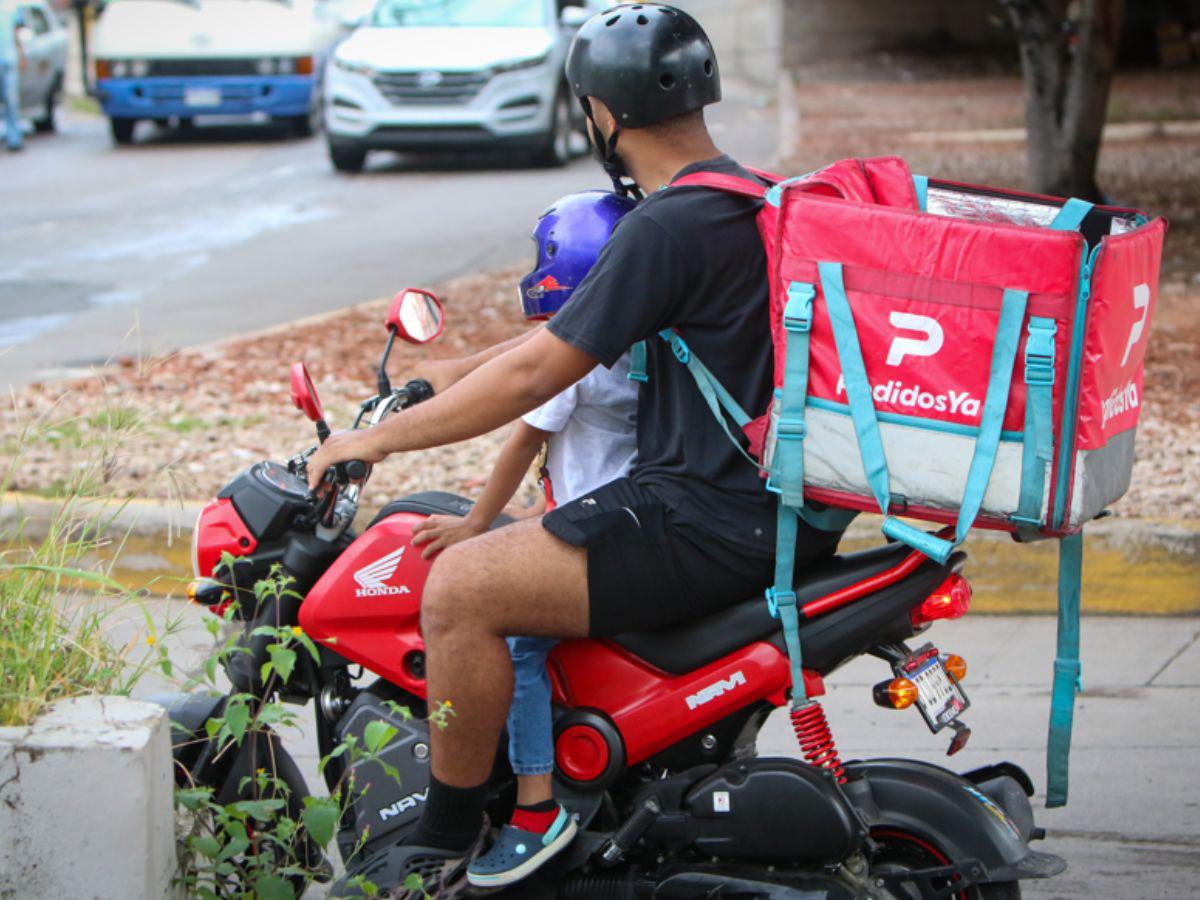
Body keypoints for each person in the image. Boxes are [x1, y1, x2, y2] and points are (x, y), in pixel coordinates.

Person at [312, 5, 843, 896]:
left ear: (601, 113)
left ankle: (441, 848)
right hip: (773, 505)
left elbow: (536, 377)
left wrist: (370, 441)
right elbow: (567, 339)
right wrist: (452, 373)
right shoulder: (749, 198)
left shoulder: (665, 226)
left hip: (704, 517)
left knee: (461, 587)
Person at [410, 189, 638, 889]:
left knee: (515, 643)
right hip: (622, 516)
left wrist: (475, 525)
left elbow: (520, 439)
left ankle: (535, 807)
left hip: (592, 529)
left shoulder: (577, 358)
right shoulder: (637, 338)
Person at [0, 0, 25, 152]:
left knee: (11, 100)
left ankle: (13, 138)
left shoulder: (13, 5)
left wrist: (21, 54)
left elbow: (17, 32)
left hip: (9, 60)